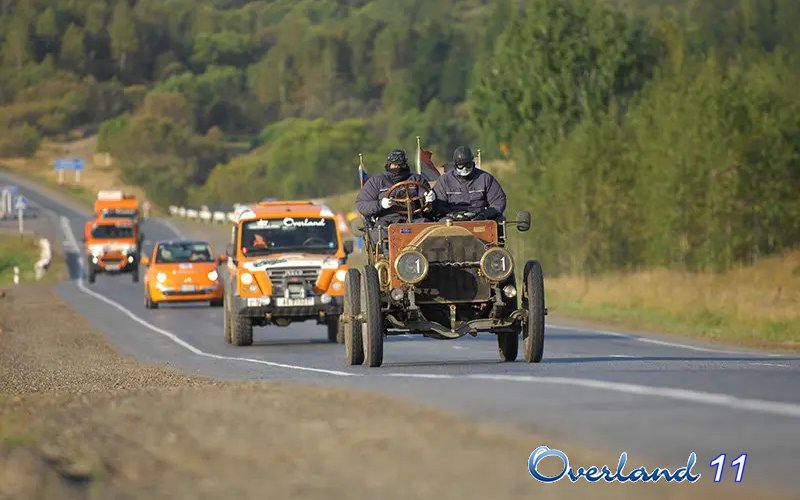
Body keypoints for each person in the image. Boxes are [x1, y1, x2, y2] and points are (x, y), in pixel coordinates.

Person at [356, 149, 432, 227]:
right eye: (394, 164)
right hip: (387, 221)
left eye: (400, 165)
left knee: (428, 227)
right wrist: (380, 204)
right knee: (379, 233)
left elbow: (425, 193)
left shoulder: (416, 179)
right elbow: (361, 204)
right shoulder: (377, 181)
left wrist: (428, 198)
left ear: (405, 164)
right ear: (389, 164)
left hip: (415, 219)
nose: (397, 167)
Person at [428, 145, 507, 221]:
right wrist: (453, 215)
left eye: (467, 164)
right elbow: (439, 207)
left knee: (498, 219)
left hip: (480, 218)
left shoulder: (485, 178)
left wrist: (484, 215)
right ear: (455, 164)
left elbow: (498, 201)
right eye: (460, 165)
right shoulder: (445, 180)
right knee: (443, 222)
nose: (464, 168)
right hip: (453, 220)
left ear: (472, 162)